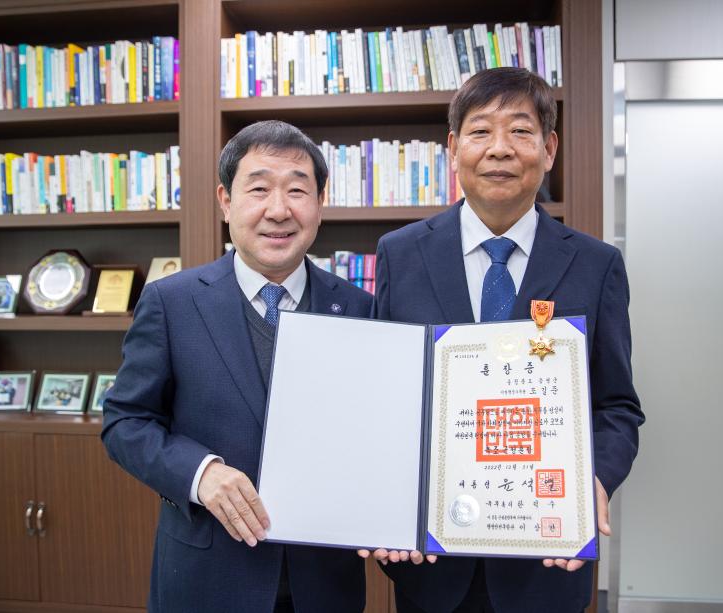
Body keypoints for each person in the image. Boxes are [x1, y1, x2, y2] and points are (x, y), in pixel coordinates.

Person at [369, 68, 645, 613]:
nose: (499, 149)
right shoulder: (400, 254)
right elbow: (383, 398)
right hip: (430, 561)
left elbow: (617, 407)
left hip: (544, 559)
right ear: (453, 150)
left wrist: (592, 480)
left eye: (520, 131)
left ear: (549, 149)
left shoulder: (596, 265)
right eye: (480, 132)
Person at [102, 120, 372, 613]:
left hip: (325, 581)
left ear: (320, 202)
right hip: (209, 577)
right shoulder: (172, 302)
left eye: (297, 190)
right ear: (226, 201)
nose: (279, 210)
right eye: (259, 189)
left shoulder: (358, 307)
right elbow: (125, 422)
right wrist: (199, 473)